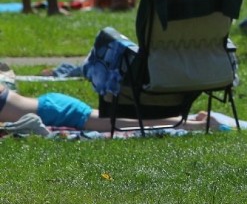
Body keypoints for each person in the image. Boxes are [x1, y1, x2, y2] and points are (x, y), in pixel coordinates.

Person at [0, 82, 219, 132]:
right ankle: (190, 120)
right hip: (52, 104)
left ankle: (195, 125)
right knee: (121, 120)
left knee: (123, 123)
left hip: (56, 111)